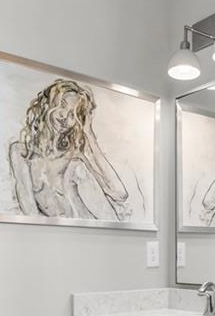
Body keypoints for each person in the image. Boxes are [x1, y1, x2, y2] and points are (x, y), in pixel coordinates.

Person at [8, 79, 131, 221]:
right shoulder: (21, 151)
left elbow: (120, 194)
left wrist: (89, 135)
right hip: (62, 230)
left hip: (89, 224)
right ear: (47, 105)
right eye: (62, 106)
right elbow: (30, 212)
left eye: (73, 114)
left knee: (75, 167)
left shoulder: (75, 153)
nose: (64, 117)